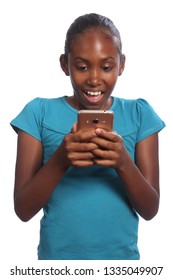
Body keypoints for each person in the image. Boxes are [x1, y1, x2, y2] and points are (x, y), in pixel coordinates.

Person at [10, 13, 165, 260]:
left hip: (121, 267)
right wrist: (61, 160)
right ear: (64, 64)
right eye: (81, 67)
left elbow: (150, 209)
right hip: (57, 266)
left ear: (121, 64)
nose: (94, 79)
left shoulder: (140, 114)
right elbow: (23, 209)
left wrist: (123, 162)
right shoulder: (38, 113)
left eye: (106, 67)